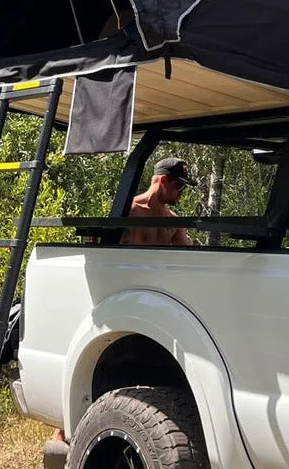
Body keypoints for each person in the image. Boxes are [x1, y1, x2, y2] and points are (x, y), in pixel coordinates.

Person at [48, 157, 196, 447]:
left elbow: (189, 254)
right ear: (162, 181)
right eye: (179, 187)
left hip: (154, 303)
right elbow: (99, 254)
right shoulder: (127, 212)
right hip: (118, 300)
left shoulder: (171, 221)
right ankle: (63, 431)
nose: (181, 194)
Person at [121, 157, 196, 246]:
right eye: (179, 186)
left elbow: (186, 255)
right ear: (163, 180)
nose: (181, 192)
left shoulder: (173, 221)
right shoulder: (129, 211)